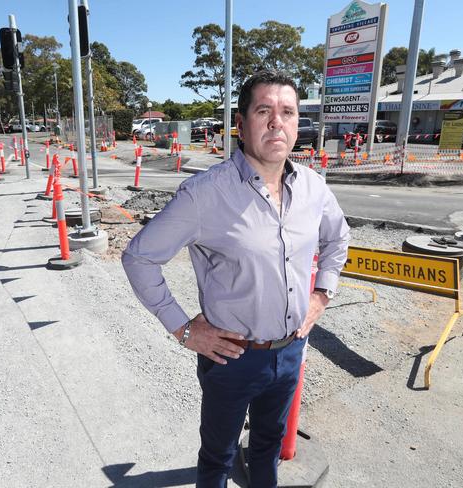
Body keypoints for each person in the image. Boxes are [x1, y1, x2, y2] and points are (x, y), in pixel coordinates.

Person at [122, 69, 350, 487]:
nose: (276, 121)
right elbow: (138, 258)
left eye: (287, 112)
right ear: (242, 125)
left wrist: (321, 296)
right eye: (263, 110)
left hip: (290, 351)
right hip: (232, 358)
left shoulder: (315, 188)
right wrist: (184, 329)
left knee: (267, 449)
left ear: (298, 123)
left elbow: (339, 240)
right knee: (218, 459)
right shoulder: (205, 194)